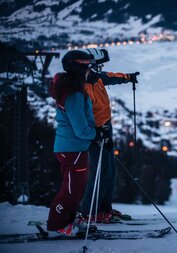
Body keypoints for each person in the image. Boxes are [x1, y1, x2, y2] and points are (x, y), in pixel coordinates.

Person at [47, 50, 110, 236]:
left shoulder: (73, 89)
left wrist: (97, 132)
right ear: (79, 69)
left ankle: (68, 219)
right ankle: (56, 224)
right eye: (87, 67)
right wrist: (96, 134)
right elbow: (81, 129)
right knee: (71, 191)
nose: (90, 70)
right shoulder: (73, 94)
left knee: (77, 188)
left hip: (75, 148)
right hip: (72, 148)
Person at [80, 48, 139, 223]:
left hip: (106, 129)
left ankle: (104, 209)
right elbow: (82, 116)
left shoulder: (97, 78)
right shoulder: (83, 87)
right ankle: (91, 212)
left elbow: (112, 76)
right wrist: (97, 134)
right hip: (95, 133)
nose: (102, 68)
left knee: (110, 171)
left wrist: (128, 77)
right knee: (100, 172)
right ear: (90, 65)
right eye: (100, 65)